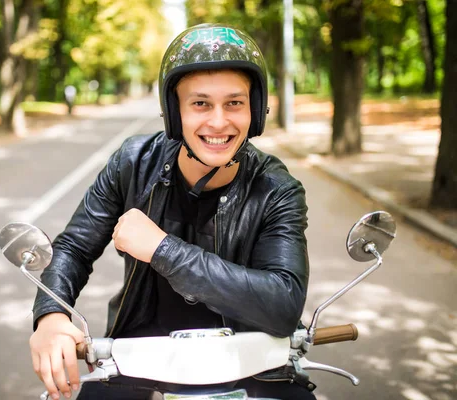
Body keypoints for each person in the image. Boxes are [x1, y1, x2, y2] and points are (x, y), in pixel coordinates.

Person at [30, 23, 311, 400]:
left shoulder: (277, 189)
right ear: (174, 112)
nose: (218, 121)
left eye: (234, 103)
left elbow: (282, 304)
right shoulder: (132, 163)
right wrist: (51, 315)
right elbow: (74, 249)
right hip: (140, 356)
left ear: (254, 110)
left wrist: (163, 249)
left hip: (253, 361)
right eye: (200, 103)